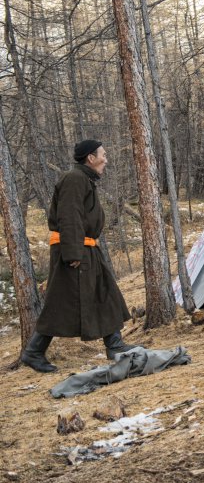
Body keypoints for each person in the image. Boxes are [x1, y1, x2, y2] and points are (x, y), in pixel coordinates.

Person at [20, 140, 137, 373]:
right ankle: (33, 352)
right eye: (103, 154)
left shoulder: (85, 179)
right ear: (90, 158)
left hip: (86, 248)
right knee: (60, 301)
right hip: (74, 250)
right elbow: (69, 216)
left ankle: (114, 345)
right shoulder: (74, 179)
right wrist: (72, 253)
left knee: (105, 291)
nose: (106, 159)